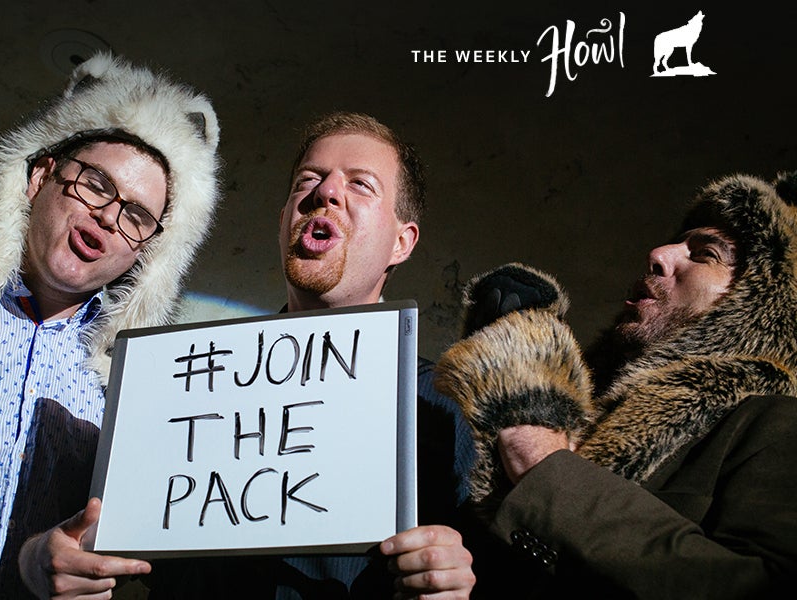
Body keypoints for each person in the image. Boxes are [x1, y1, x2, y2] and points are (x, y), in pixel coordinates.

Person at [145, 111, 478, 599]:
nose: (327, 192)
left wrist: (460, 581)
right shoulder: (189, 385)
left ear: (401, 243)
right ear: (284, 220)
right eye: (309, 179)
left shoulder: (447, 408)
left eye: (361, 185)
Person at [434, 171, 797, 598]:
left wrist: (537, 452)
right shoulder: (585, 408)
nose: (659, 254)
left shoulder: (777, 425)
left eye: (705, 253)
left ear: (758, 304)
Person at [0, 52, 221, 598]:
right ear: (41, 176)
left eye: (137, 216)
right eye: (96, 184)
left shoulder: (139, 391)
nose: (107, 216)